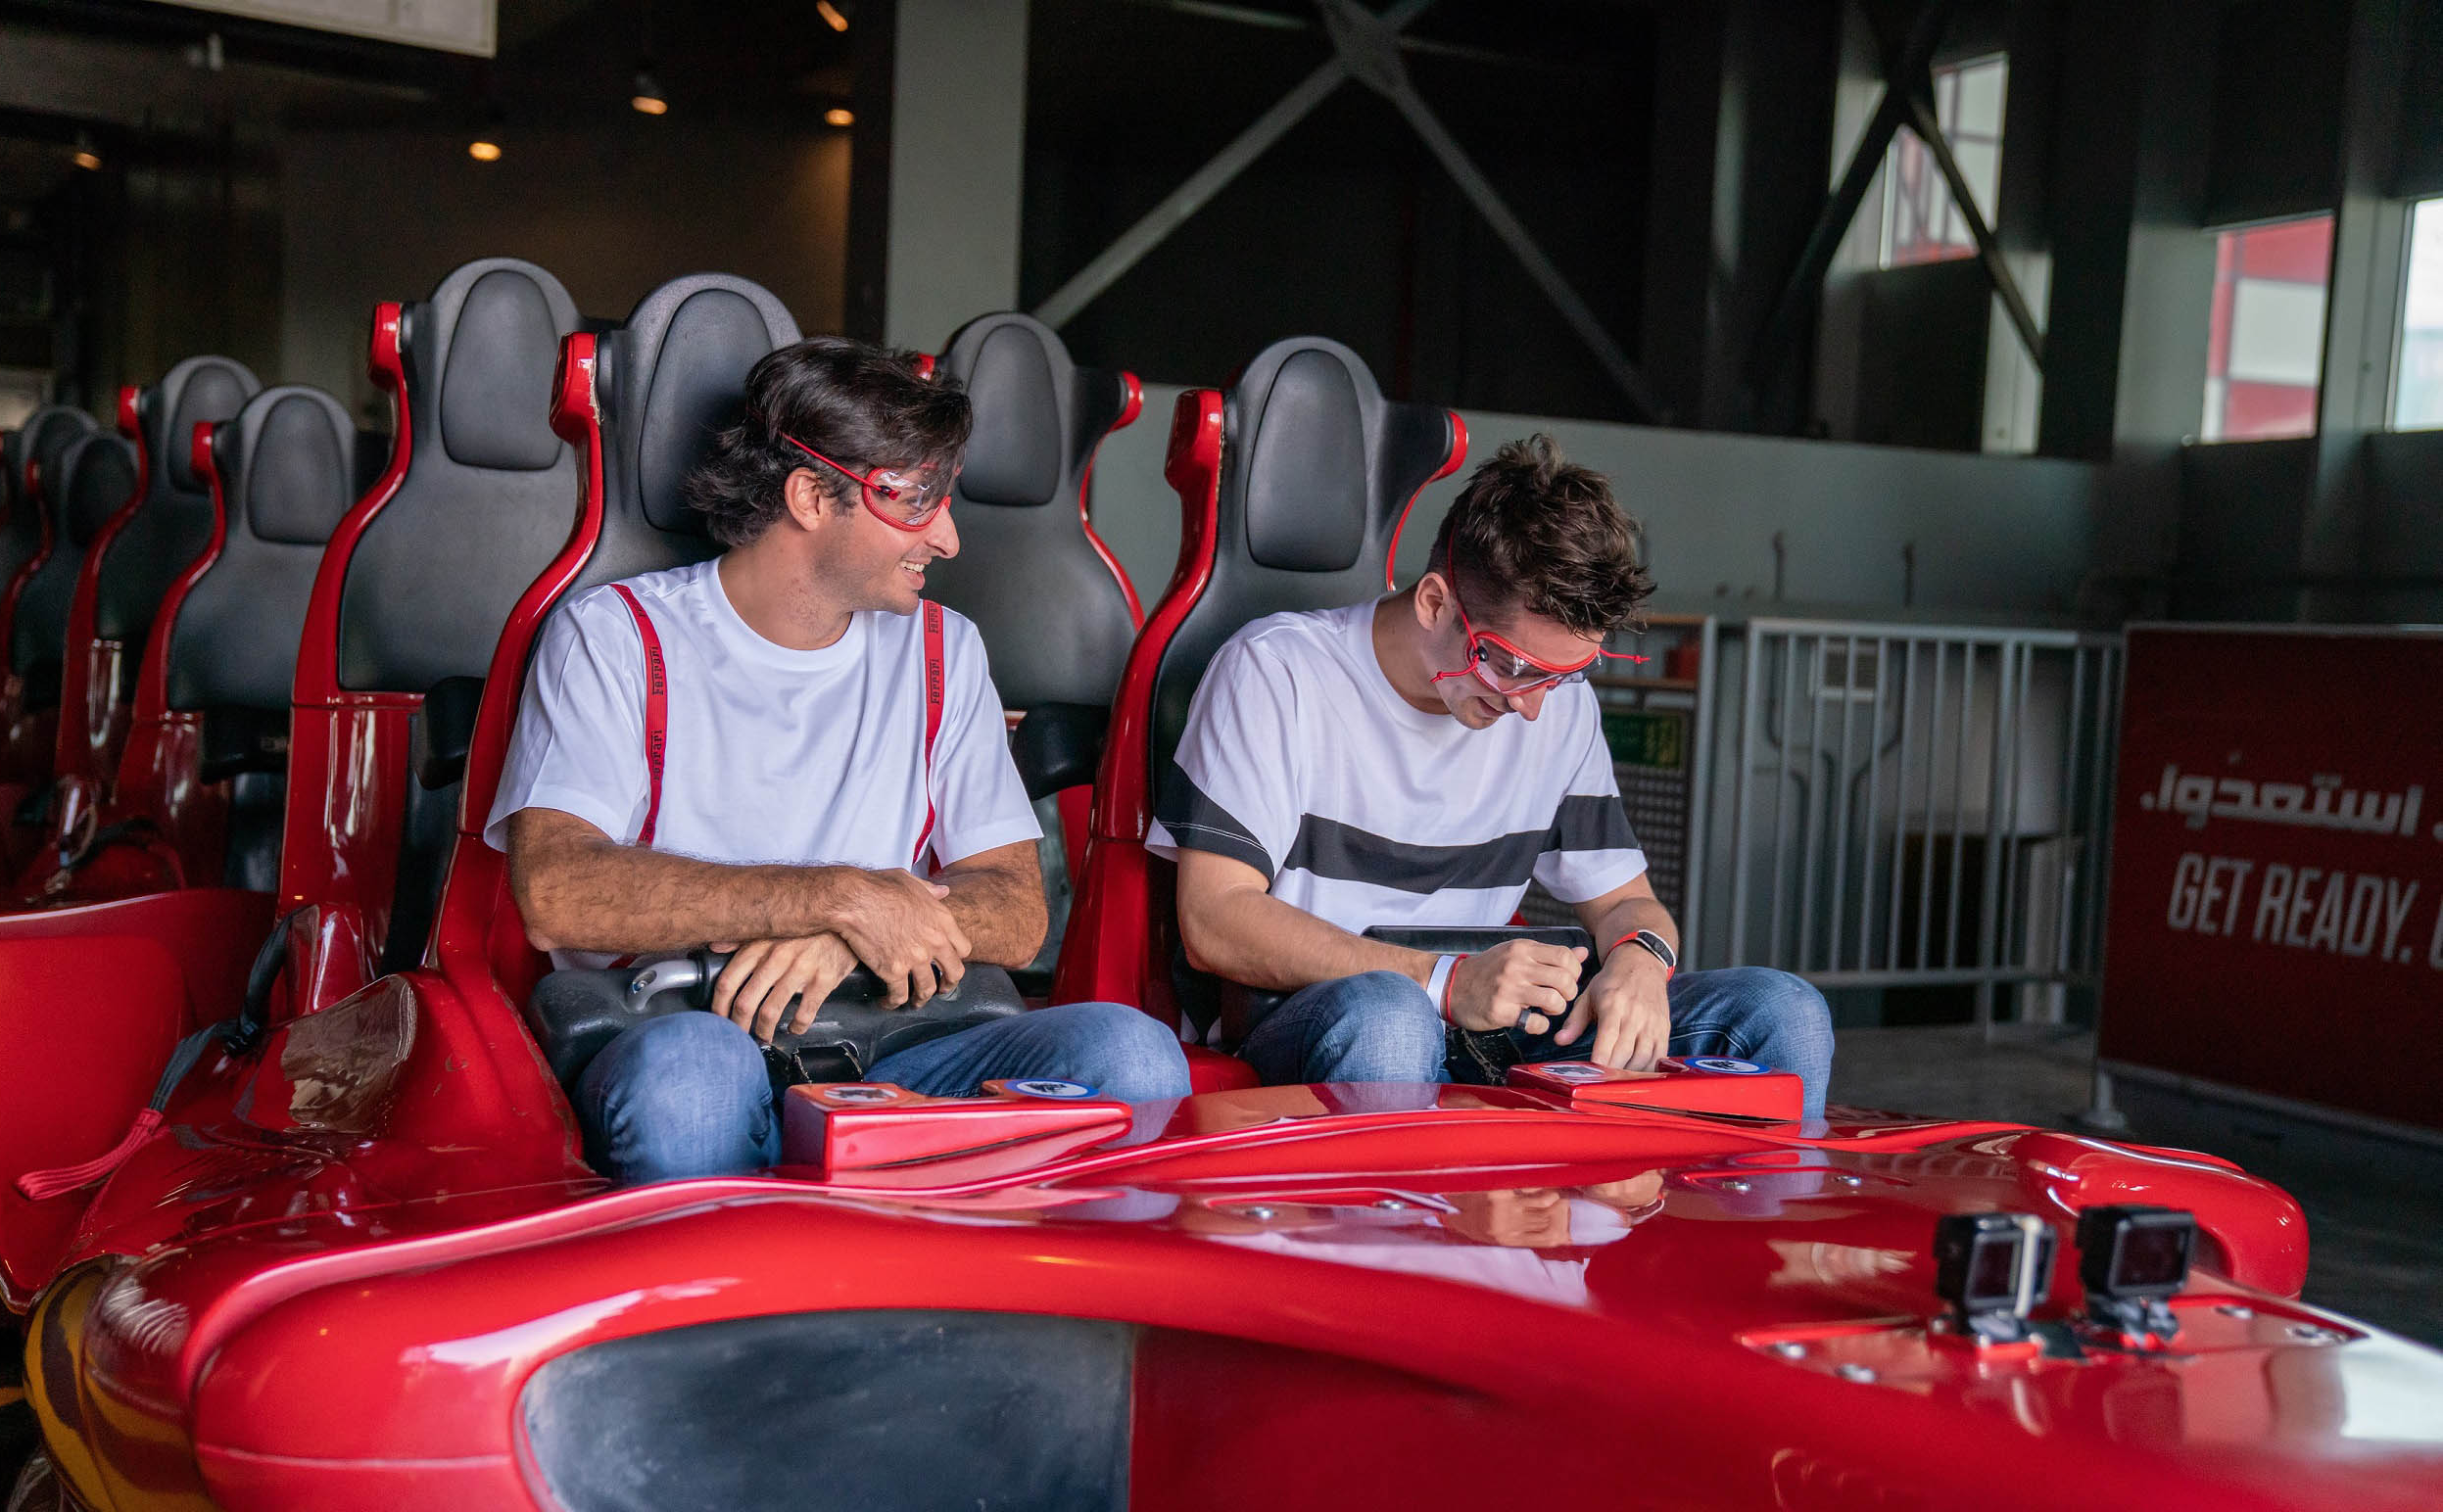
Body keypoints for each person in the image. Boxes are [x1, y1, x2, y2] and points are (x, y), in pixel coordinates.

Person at [493, 338, 1190, 1182]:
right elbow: (559, 892)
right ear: (810, 496)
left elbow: (1014, 912)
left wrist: (848, 937)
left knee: (1134, 1053)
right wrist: (839, 897)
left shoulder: (945, 649)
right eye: (917, 501)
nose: (949, 537)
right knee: (693, 1082)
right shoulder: (612, 634)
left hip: (898, 1036)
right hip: (677, 1025)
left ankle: (969, 1306)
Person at [1149, 435, 1832, 1120]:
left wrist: (1639, 960)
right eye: (1510, 665)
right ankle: (1384, 1223)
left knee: (1782, 1010)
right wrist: (1442, 983)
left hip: (1495, 1025)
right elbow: (1214, 918)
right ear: (1435, 604)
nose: (1531, 706)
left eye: (1564, 675)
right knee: (1391, 1017)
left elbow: (1628, 904)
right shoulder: (1277, 673)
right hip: (1317, 1015)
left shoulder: (1557, 708)